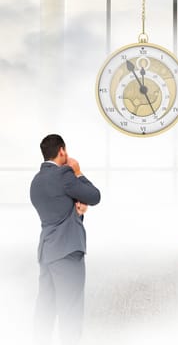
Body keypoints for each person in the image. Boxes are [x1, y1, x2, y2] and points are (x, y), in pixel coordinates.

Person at [30, 134, 101, 345]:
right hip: (67, 251)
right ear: (62, 151)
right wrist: (78, 171)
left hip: (46, 251)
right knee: (70, 309)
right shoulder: (65, 175)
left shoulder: (36, 181)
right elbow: (94, 196)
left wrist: (76, 212)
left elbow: (57, 211)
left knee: (45, 308)